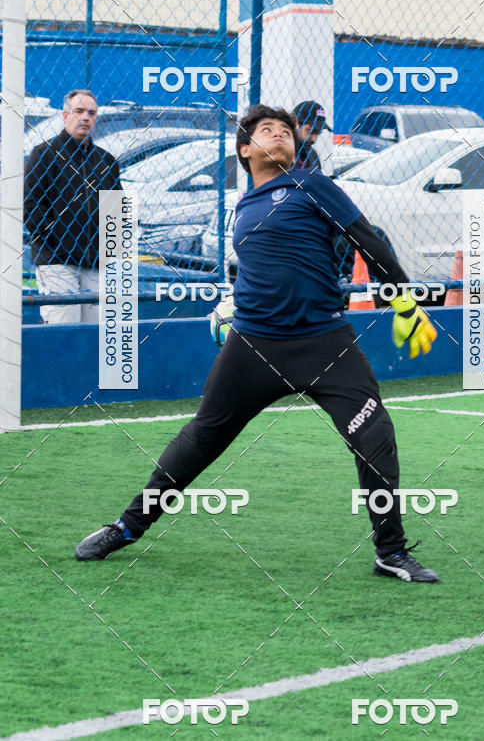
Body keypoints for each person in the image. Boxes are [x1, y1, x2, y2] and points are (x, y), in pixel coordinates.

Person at [74, 104, 440, 583]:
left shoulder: (314, 185)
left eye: (286, 131)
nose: (280, 135)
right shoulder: (244, 206)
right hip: (254, 346)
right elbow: (265, 267)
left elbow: (369, 241)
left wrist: (404, 303)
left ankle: (390, 552)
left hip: (324, 343)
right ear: (246, 150)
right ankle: (126, 527)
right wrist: (232, 304)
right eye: (267, 130)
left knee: (375, 439)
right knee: (200, 440)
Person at [24, 90, 121, 324]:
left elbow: (116, 211)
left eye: (91, 113)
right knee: (63, 324)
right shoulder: (44, 154)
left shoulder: (106, 161)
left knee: (96, 331)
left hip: (96, 262)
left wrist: (109, 249)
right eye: (79, 111)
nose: (85, 117)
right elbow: (30, 204)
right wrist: (55, 238)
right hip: (56, 260)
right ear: (65, 114)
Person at [292, 100, 331, 171]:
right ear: (296, 124)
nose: (314, 139)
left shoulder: (312, 155)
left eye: (319, 132)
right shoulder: (281, 152)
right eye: (310, 131)